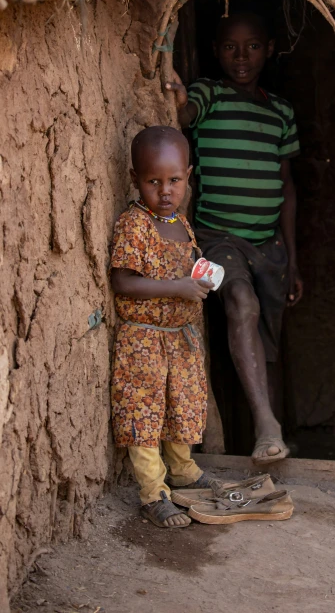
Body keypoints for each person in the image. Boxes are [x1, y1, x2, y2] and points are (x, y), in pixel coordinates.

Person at [167, 11, 303, 464]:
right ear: (215, 51)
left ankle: (273, 432)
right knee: (241, 304)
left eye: (252, 46)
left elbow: (286, 187)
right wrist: (177, 96)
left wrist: (293, 258)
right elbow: (184, 112)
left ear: (269, 49)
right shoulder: (209, 93)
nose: (241, 56)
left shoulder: (281, 112)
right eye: (230, 47)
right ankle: (266, 426)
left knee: (269, 339)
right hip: (218, 238)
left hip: (269, 246)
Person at [110, 126, 216, 528]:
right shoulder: (134, 225)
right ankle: (153, 492)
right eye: (154, 181)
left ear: (188, 175)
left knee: (181, 407)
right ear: (135, 179)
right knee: (145, 414)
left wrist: (200, 280)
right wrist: (179, 287)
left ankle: (184, 470)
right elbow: (123, 281)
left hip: (181, 341)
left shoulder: (181, 223)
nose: (165, 190)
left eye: (174, 180)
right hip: (144, 341)